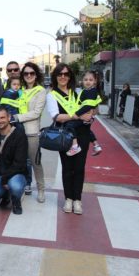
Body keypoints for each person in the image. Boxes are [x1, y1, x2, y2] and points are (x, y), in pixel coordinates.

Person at [45, 64, 94, 215]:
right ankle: (68, 199)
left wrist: (90, 118)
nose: (63, 77)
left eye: (66, 74)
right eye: (60, 74)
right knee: (67, 168)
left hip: (83, 133)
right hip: (65, 135)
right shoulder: (52, 95)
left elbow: (91, 109)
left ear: (70, 76)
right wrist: (78, 116)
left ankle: (77, 199)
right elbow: (56, 116)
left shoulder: (78, 92)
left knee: (79, 167)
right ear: (55, 77)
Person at [14, 62, 48, 202]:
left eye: (31, 73)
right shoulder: (19, 89)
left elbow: (36, 112)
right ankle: (20, 187)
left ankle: (41, 190)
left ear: (36, 75)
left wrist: (17, 117)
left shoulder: (40, 91)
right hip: (17, 131)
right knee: (19, 162)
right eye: (26, 73)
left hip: (32, 132)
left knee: (35, 163)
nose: (29, 76)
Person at [64, 71, 102, 157]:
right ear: (82, 81)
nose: (88, 82)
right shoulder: (87, 90)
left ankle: (74, 146)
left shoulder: (91, 91)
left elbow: (88, 106)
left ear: (95, 81)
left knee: (69, 125)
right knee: (87, 130)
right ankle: (96, 145)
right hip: (86, 115)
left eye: (90, 80)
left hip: (84, 114)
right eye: (86, 80)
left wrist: (76, 114)